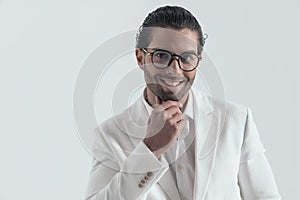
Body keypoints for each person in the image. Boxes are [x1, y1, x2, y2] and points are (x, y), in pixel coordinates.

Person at [85, 5, 281, 200]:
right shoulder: (109, 135)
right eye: (161, 56)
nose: (175, 70)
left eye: (186, 58)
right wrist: (150, 149)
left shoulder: (236, 121)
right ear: (140, 57)